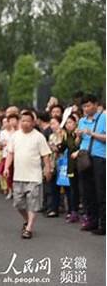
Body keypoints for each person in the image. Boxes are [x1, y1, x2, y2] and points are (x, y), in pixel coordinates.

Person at [4, 111, 52, 239]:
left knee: (33, 202)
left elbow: (45, 155)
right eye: (23, 121)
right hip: (19, 175)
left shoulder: (39, 137)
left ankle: (29, 228)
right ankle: (26, 220)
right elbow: (10, 153)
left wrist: (47, 169)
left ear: (33, 122)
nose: (25, 123)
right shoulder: (15, 136)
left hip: (34, 176)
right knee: (18, 203)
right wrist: (6, 167)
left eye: (28, 121)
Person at [75, 94, 106, 235]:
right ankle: (92, 221)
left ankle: (103, 224)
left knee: (101, 191)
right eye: (84, 106)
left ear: (95, 104)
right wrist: (78, 136)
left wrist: (91, 133)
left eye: (88, 105)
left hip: (99, 157)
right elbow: (77, 143)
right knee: (87, 192)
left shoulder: (103, 118)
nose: (86, 108)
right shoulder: (81, 120)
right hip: (84, 158)